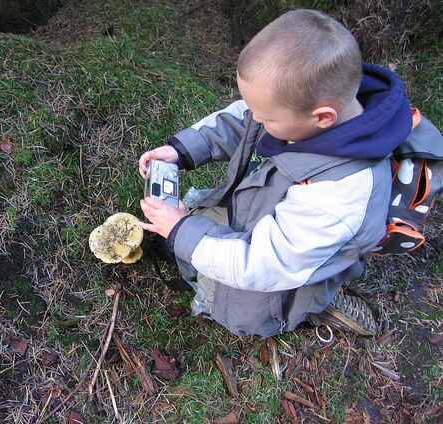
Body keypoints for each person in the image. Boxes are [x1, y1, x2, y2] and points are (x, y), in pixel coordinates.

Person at [137, 9, 413, 338]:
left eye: (266, 117)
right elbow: (242, 121)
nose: (255, 119)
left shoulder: (341, 194)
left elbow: (263, 263)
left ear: (322, 117)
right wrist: (182, 150)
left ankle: (317, 304)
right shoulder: (301, 109)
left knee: (246, 302)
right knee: (200, 230)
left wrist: (182, 232)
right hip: (272, 220)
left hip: (281, 267)